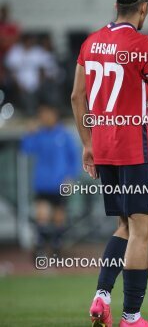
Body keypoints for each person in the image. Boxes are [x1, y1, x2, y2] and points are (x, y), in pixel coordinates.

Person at [70, 0, 148, 326]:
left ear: (116, 4)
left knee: (125, 225)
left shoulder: (90, 42)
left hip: (104, 148)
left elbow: (77, 97)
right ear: (144, 9)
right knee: (142, 230)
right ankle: (131, 317)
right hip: (134, 147)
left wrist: (88, 144)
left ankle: (102, 295)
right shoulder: (141, 44)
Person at [21, 103, 80, 258]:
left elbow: (74, 159)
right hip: (42, 182)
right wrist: (29, 133)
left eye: (46, 113)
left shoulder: (65, 135)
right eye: (41, 114)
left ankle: (56, 248)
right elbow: (26, 149)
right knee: (42, 216)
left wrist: (70, 177)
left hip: (60, 183)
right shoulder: (39, 134)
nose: (43, 117)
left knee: (59, 217)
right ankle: (40, 247)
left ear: (54, 114)